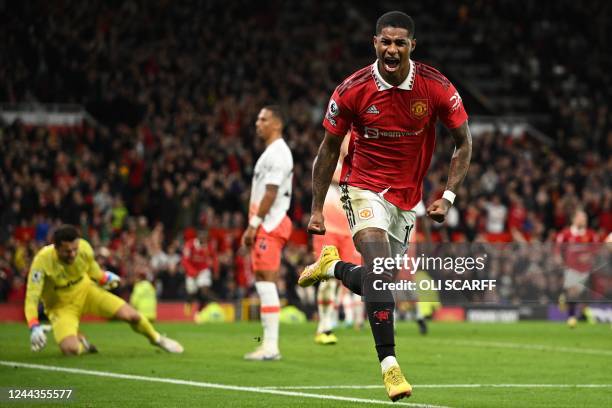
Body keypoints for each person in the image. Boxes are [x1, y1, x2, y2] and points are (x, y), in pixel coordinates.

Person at [299, 11, 472, 401]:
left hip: (407, 200)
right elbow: (328, 150)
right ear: (374, 42)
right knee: (378, 268)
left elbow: (464, 141)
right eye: (385, 41)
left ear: (413, 46)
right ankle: (390, 366)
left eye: (400, 42)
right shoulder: (352, 90)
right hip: (361, 187)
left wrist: (447, 196)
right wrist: (314, 208)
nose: (391, 49)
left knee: (382, 283)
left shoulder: (436, 88)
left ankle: (334, 267)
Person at [25, 224, 183, 355]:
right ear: (56, 248)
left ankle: (158, 339)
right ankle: (83, 343)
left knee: (132, 316)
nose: (73, 254)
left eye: (75, 249)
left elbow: (94, 272)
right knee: (70, 350)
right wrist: (34, 325)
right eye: (68, 251)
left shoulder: (84, 248)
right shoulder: (41, 262)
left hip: (87, 292)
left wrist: (105, 278)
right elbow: (32, 298)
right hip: (61, 307)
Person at [241, 105, 293, 361]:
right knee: (263, 281)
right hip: (265, 224)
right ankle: (268, 344)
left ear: (277, 124)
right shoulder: (270, 153)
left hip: (270, 225)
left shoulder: (279, 154)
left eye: (263, 119)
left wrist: (254, 224)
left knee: (267, 280)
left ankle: (271, 346)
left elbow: (271, 192)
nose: (257, 123)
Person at [313, 136, 363, 345]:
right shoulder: (325, 159)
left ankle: (342, 320)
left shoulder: (359, 166)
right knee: (327, 278)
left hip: (350, 231)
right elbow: (328, 176)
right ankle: (324, 326)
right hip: (328, 230)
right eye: (347, 140)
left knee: (347, 280)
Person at [555, 209, 598, 328]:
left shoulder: (591, 234)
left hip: (586, 270)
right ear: (574, 219)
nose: (584, 220)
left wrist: (588, 256)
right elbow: (558, 249)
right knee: (573, 291)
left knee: (581, 293)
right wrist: (559, 259)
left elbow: (596, 250)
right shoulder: (566, 234)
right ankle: (571, 317)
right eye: (581, 218)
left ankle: (567, 301)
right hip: (571, 268)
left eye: (585, 218)